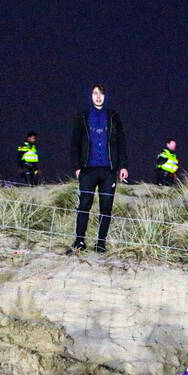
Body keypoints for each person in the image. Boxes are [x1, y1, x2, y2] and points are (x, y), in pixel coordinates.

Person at [67, 83, 129, 254]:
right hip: (88, 169)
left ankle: (101, 243)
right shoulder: (82, 116)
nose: (98, 96)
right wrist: (77, 167)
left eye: (101, 93)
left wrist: (123, 165)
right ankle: (80, 241)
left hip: (108, 170)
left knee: (106, 207)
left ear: (105, 96)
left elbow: (121, 141)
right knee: (84, 205)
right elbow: (75, 143)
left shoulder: (113, 116)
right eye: (95, 93)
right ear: (91, 96)